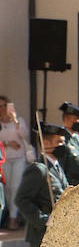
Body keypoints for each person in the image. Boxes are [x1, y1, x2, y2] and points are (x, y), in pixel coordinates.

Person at [16, 123, 70, 247]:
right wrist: (44, 220)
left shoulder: (57, 167)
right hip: (41, 233)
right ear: (46, 143)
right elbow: (22, 200)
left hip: (57, 233)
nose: (63, 146)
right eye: (59, 142)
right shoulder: (38, 170)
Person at [0, 97, 34, 230]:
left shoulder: (18, 120)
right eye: (0, 106)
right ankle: (12, 214)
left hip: (19, 158)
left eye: (4, 105)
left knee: (15, 187)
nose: (2, 109)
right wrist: (8, 144)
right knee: (7, 188)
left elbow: (24, 134)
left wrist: (14, 119)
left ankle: (13, 219)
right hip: (4, 159)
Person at [54, 102, 79, 185]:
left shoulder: (78, 137)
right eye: (77, 118)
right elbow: (60, 167)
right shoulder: (61, 139)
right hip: (70, 185)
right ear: (66, 119)